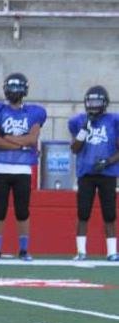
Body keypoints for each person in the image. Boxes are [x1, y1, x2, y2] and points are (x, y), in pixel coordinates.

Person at [0, 73, 47, 261]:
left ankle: (24, 249)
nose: (14, 91)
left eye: (17, 87)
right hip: (0, 167)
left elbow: (32, 138)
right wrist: (22, 144)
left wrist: (8, 138)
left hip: (23, 169)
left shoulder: (34, 112)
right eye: (11, 87)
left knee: (22, 211)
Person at [68, 85, 119, 261]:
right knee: (83, 212)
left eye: (97, 101)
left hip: (108, 173)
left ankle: (112, 252)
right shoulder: (78, 121)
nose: (93, 105)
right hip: (86, 173)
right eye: (90, 101)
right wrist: (84, 130)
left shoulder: (114, 120)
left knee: (110, 213)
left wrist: (108, 161)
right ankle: (81, 251)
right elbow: (75, 149)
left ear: (105, 103)